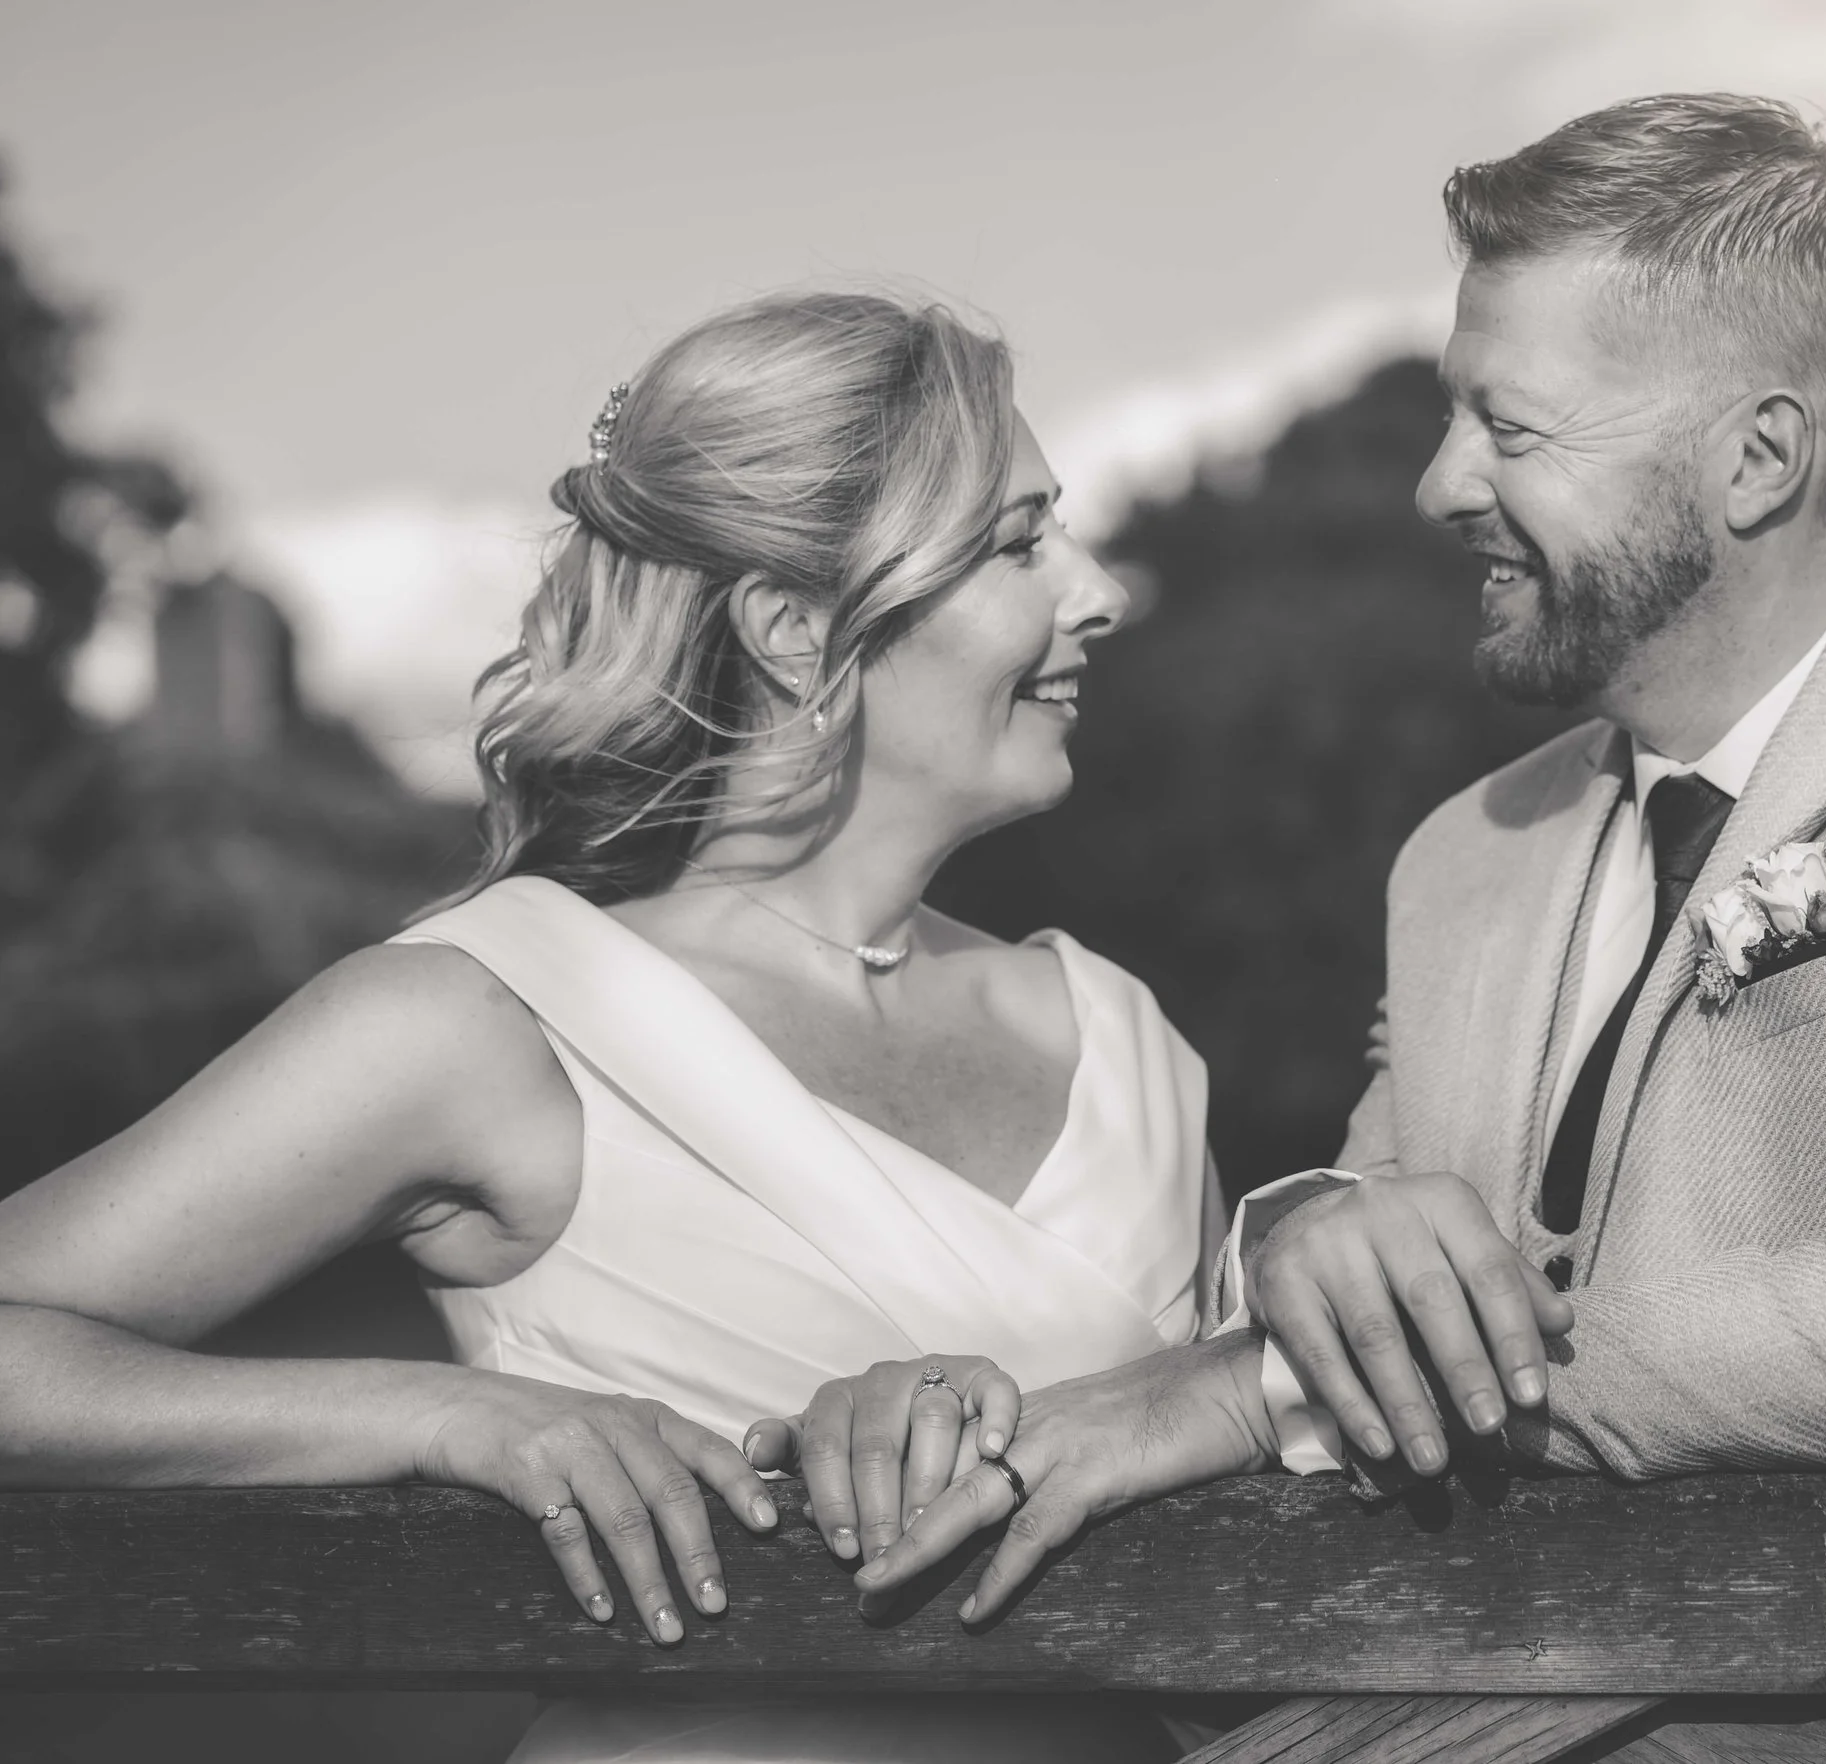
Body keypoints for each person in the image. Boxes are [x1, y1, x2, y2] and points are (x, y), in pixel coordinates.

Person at [871, 92, 1826, 1618]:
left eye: (1510, 427)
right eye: (1451, 410)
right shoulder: (1463, 851)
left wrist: (1262, 1395)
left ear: (1759, 461)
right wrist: (1302, 1235)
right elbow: (1378, 1214)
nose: (1438, 483)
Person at [0, 290, 1276, 1764]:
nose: (1099, 592)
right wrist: (440, 1423)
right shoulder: (488, 1018)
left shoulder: (1117, 1037)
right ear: (798, 629)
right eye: (1017, 544)